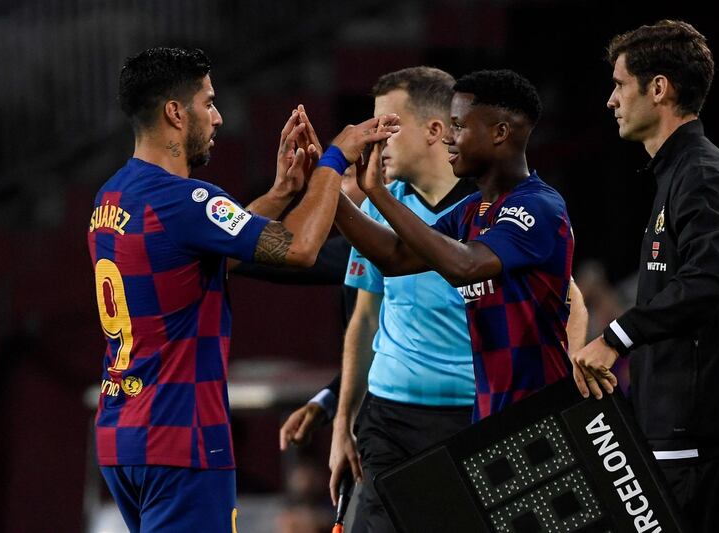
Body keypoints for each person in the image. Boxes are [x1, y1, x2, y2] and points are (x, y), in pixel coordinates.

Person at [87, 46, 398, 533]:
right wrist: (333, 160)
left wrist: (279, 195)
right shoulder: (187, 200)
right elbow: (300, 249)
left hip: (123, 435)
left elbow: (210, 254)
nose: (218, 117)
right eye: (207, 102)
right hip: (181, 440)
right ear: (175, 112)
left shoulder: (112, 197)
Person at [570, 20, 719, 533]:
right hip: (692, 423)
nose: (611, 100)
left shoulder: (703, 175)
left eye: (620, 84)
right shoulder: (683, 172)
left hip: (701, 428)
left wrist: (616, 337)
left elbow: (708, 284)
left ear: (659, 88)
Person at [332, 67, 580, 449]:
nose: (448, 137)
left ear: (500, 133)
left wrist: (378, 196)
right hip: (488, 418)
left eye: (459, 125)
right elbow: (397, 258)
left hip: (538, 418)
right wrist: (334, 191)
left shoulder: (539, 206)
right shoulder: (471, 211)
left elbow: (465, 265)